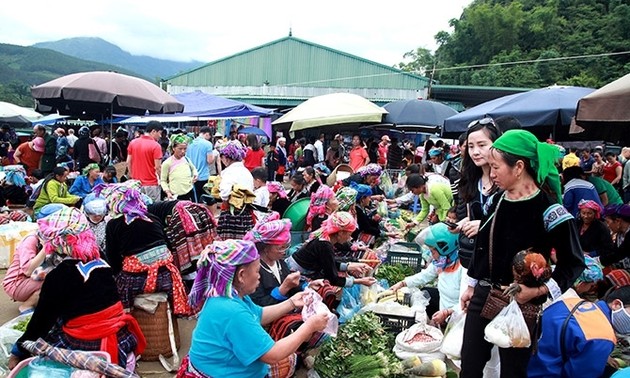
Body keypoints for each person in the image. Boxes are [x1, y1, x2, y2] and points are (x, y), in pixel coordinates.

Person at [459, 130, 586, 378]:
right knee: (470, 367)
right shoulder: (497, 201)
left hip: (522, 302)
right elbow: (484, 244)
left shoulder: (550, 211)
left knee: (513, 372)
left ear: (518, 167)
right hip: (485, 294)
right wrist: (472, 286)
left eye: (496, 167)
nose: (491, 174)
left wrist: (538, 291)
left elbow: (573, 263)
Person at [8, 207, 146, 370]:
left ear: (58, 241)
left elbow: (40, 323)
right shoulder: (102, 261)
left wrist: (19, 350)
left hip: (88, 340)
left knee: (47, 342)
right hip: (121, 336)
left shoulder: (59, 275)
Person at [181, 239, 328, 377]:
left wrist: (291, 302)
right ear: (241, 275)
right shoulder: (232, 311)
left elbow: (260, 313)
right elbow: (273, 354)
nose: (259, 277)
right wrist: (310, 326)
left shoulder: (229, 295)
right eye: (257, 271)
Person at [98, 180, 190, 316]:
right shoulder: (152, 217)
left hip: (135, 279)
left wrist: (117, 276)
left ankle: (127, 323)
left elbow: (113, 257)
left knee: (118, 294)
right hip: (166, 275)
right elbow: (168, 246)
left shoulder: (113, 224)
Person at [527, 258, 615, 378]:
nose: (590, 289)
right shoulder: (568, 301)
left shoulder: (548, 279)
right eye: (590, 286)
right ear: (581, 284)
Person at [391, 223, 463, 323]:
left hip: (458, 318)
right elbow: (425, 275)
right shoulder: (442, 262)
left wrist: (447, 312)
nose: (432, 256)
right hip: (445, 313)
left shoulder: (463, 269)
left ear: (445, 248)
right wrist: (402, 283)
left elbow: (466, 303)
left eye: (433, 251)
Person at [287, 212, 377, 288]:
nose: (350, 238)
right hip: (296, 276)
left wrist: (350, 266)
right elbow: (333, 279)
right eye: (349, 234)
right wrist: (360, 281)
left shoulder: (324, 237)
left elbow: (328, 262)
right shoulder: (325, 245)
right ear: (341, 232)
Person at [2, 230, 44, 314]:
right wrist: (46, 248)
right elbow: (28, 270)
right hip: (17, 283)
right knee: (55, 280)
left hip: (35, 277)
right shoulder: (31, 240)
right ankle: (27, 305)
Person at [127, 121, 164, 202]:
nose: (160, 136)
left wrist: (132, 176)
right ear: (153, 131)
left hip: (136, 184)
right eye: (160, 133)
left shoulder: (133, 142)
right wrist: (162, 180)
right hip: (151, 184)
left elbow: (128, 162)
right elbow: (158, 167)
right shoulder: (156, 146)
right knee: (152, 211)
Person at [161, 134, 197, 201]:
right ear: (173, 148)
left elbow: (193, 169)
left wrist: (195, 175)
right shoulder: (167, 163)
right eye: (180, 149)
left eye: (185, 149)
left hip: (189, 194)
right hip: (175, 196)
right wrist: (168, 192)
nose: (183, 151)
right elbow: (163, 181)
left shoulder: (187, 159)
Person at [186, 126, 214, 202]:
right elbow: (210, 160)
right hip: (203, 177)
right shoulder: (208, 144)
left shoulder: (189, 143)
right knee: (205, 200)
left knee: (195, 200)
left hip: (191, 177)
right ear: (207, 134)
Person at [599, 205, 630, 269]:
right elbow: (614, 251)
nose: (607, 226)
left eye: (608, 222)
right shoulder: (620, 234)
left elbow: (619, 254)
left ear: (618, 221)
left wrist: (599, 260)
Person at [83, 195, 109, 259]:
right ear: (87, 213)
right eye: (94, 215)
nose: (97, 217)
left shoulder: (107, 224)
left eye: (100, 215)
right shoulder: (81, 225)